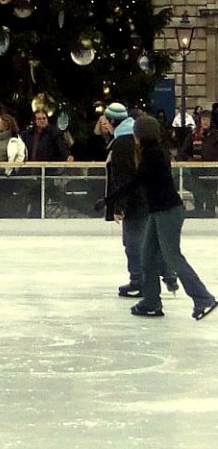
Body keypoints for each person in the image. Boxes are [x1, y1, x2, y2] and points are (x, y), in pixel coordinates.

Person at [98, 115, 216, 320]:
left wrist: (109, 200)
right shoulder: (153, 152)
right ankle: (151, 302)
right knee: (147, 255)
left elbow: (136, 181)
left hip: (168, 212)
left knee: (172, 256)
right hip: (159, 210)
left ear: (140, 134)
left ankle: (203, 298)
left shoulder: (152, 155)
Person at [102, 102, 176, 298]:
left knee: (133, 242)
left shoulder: (122, 143)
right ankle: (165, 272)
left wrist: (119, 206)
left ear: (111, 120)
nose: (104, 126)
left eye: (105, 121)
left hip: (137, 201)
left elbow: (124, 177)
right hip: (150, 199)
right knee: (146, 240)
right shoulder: (136, 138)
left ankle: (141, 280)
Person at [20, 108, 73, 217]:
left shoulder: (54, 133)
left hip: (47, 174)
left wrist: (68, 156)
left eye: (44, 118)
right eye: (39, 119)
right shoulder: (27, 134)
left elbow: (61, 147)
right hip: (29, 173)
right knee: (30, 197)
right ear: (34, 121)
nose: (42, 120)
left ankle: (35, 218)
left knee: (39, 197)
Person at [0, 113, 27, 218]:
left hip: (6, 175)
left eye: (0, 122)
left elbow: (21, 156)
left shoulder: (16, 140)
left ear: (7, 124)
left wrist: (14, 168)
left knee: (6, 199)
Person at [178, 108, 218, 216]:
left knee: (211, 195)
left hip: (212, 172)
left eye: (207, 120)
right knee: (198, 195)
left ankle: (211, 214)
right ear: (200, 121)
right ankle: (198, 214)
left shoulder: (215, 135)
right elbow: (183, 152)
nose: (205, 122)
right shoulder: (193, 135)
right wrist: (190, 160)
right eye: (203, 119)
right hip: (197, 171)